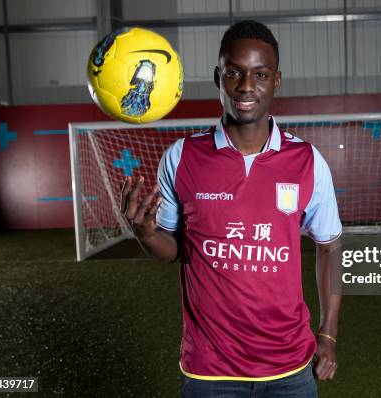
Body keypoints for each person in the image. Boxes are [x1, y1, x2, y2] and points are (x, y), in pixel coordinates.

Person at [121, 20, 342, 397]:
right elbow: (175, 250)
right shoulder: (182, 157)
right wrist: (145, 235)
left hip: (289, 366)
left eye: (260, 74)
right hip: (210, 369)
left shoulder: (307, 161)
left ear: (277, 81)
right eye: (233, 73)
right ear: (217, 78)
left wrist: (328, 334)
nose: (245, 86)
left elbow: (330, 246)